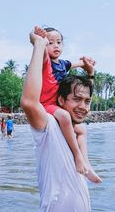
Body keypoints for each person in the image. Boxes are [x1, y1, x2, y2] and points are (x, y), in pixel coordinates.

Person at [21, 28, 102, 212]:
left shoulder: (75, 129)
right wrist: (39, 45)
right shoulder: (48, 126)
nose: (83, 106)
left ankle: (87, 164)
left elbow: (83, 93)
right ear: (61, 100)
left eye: (87, 101)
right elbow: (28, 102)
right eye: (76, 99)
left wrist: (90, 73)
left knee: (82, 129)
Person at [34, 25, 95, 175]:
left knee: (81, 129)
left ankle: (87, 164)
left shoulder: (63, 64)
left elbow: (78, 64)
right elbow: (38, 50)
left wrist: (88, 64)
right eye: (50, 42)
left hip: (57, 104)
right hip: (47, 105)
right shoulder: (45, 62)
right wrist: (36, 39)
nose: (55, 46)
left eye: (59, 42)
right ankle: (77, 156)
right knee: (65, 116)